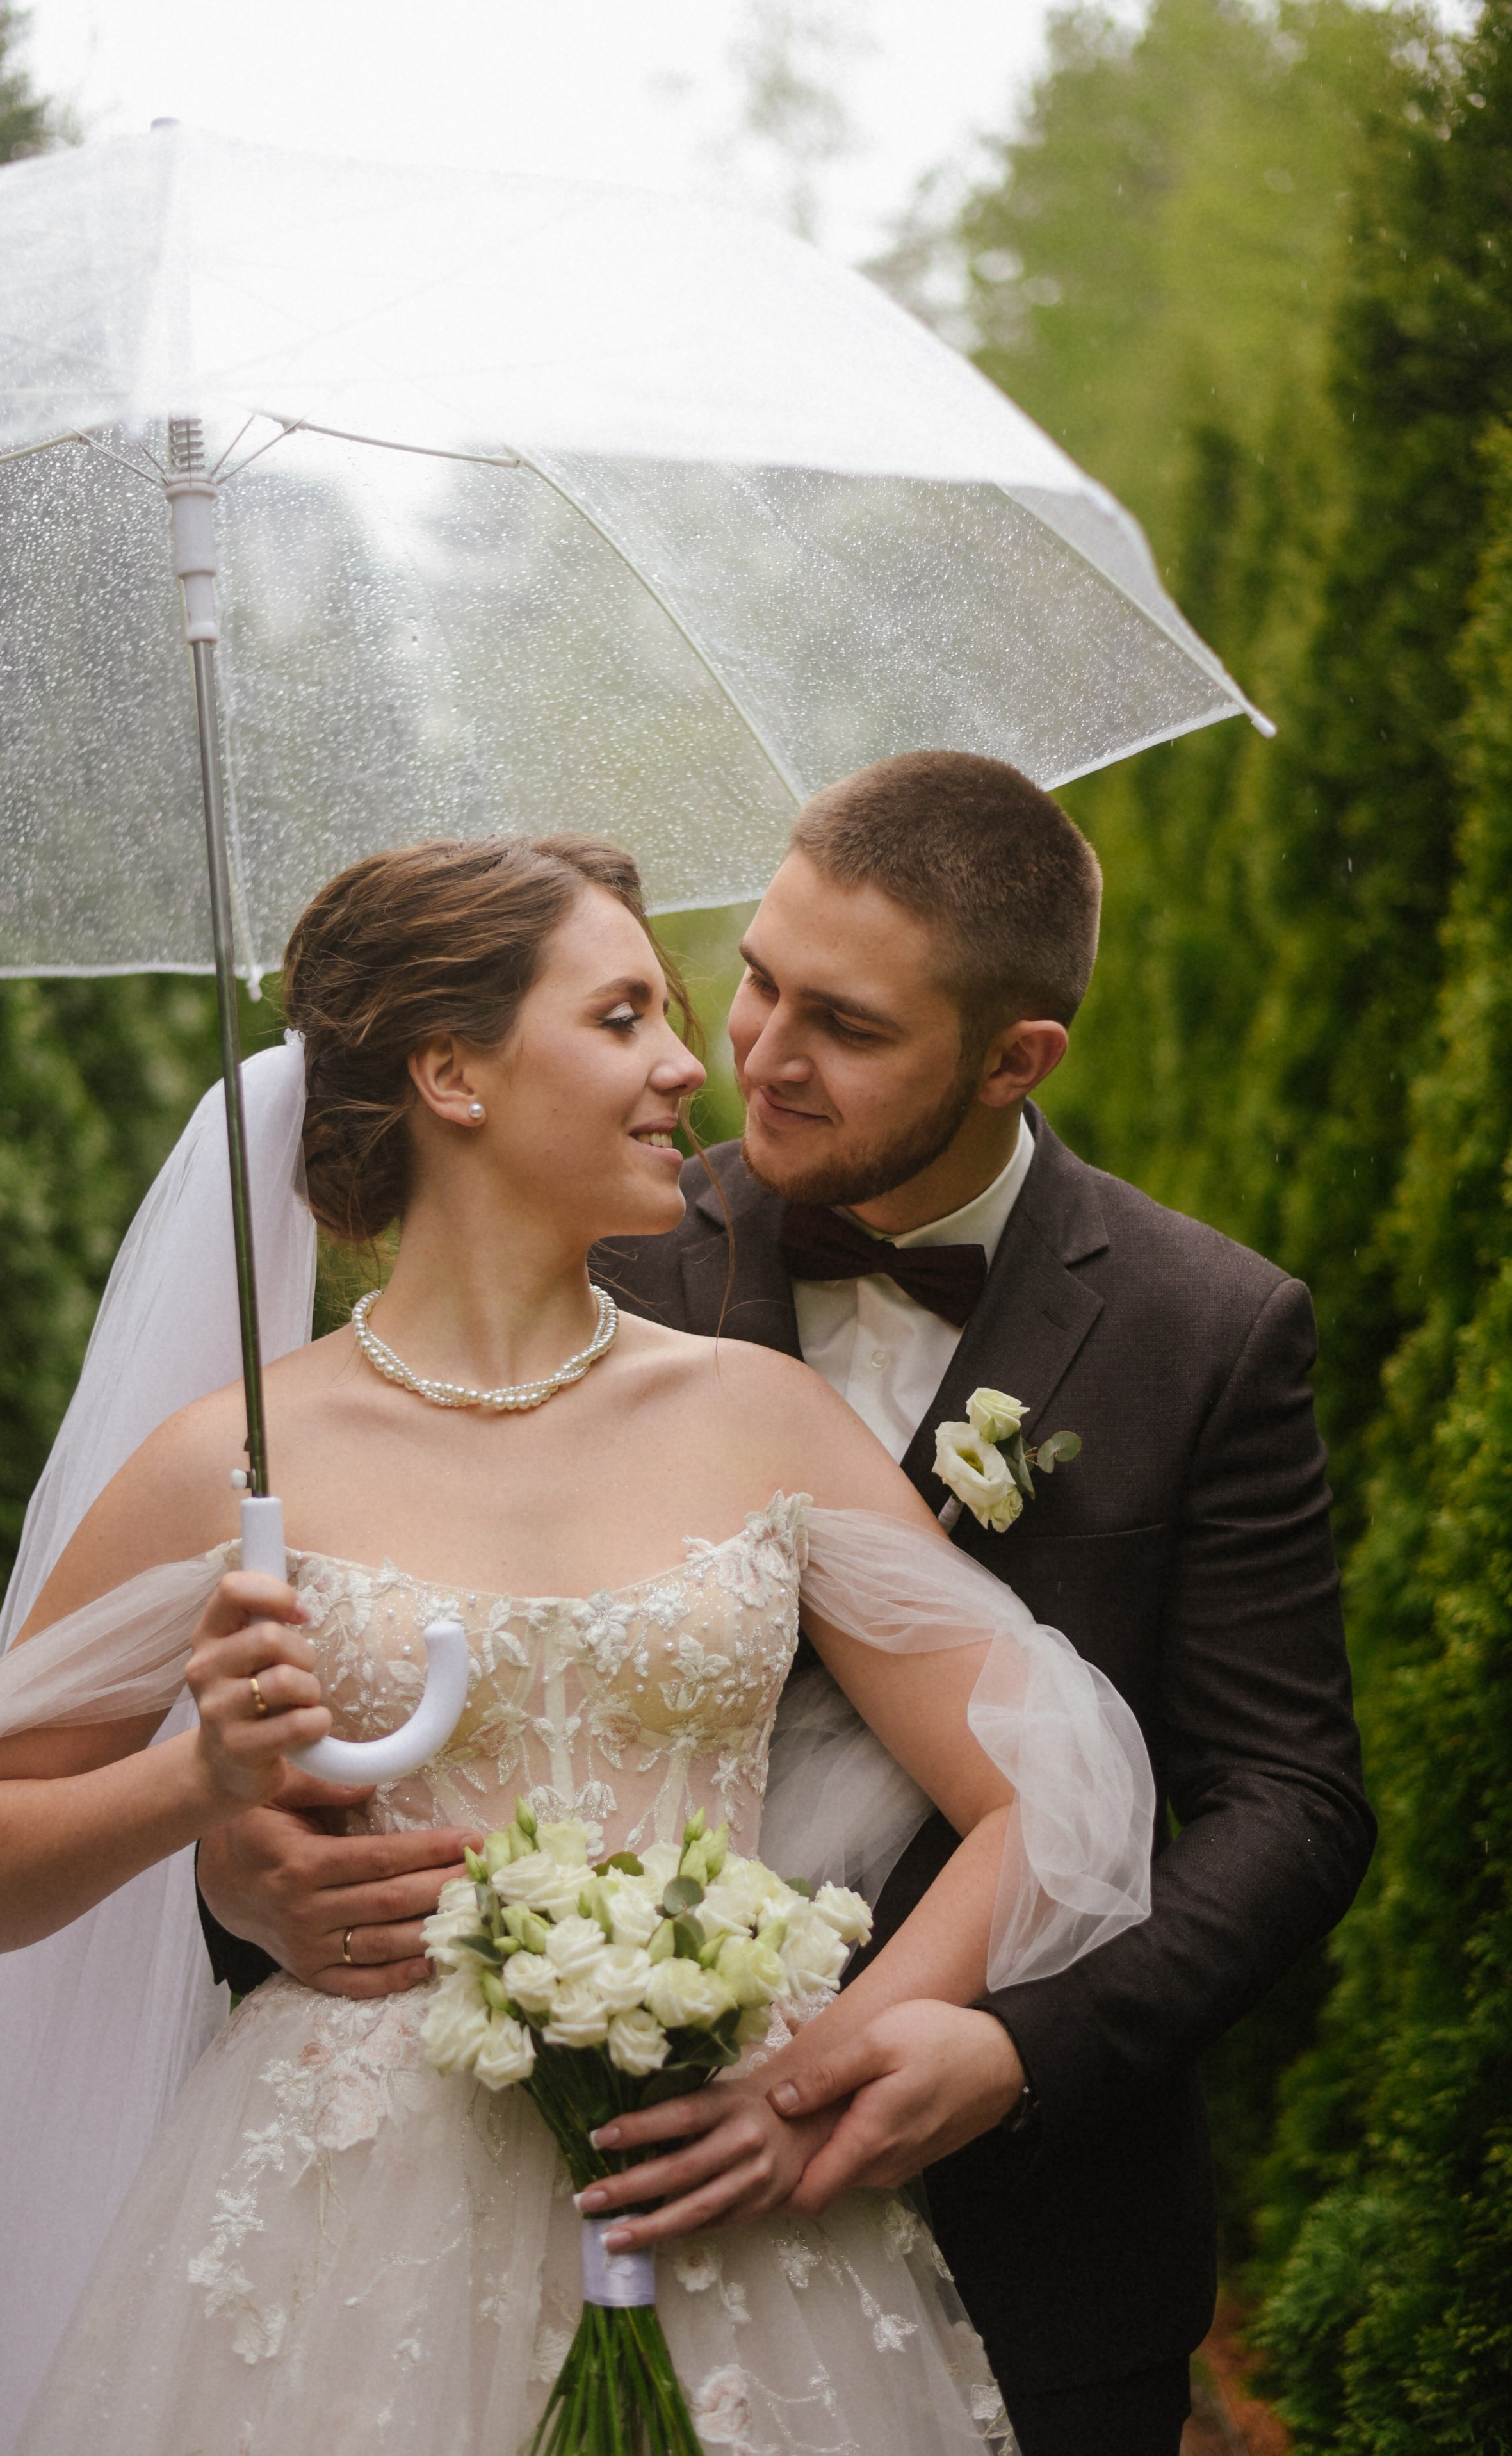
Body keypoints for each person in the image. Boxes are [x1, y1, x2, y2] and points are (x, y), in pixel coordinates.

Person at [0, 833, 1153, 2456]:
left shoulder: (757, 1415)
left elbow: (1049, 1780)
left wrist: (810, 2085)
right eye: (623, 1016)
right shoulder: (237, 1461)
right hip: (332, 2247)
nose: (694, 1063)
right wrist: (194, 1789)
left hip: (719, 2222)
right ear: (450, 1073)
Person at [200, 753, 1376, 2456]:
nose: (750, 1049)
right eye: (753, 975)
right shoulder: (577, 1225)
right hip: (537, 2196)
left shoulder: (1206, 1328)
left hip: (1035, 2222)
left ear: (1014, 1057)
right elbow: (338, 1662)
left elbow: (1293, 1800)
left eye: (847, 1023)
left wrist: (1010, 2046)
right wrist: (242, 1872)